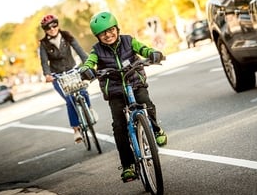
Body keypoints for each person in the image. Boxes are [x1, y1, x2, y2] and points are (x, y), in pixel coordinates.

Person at [80, 11, 167, 182]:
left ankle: (156, 130)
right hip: (115, 91)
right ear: (97, 36)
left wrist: (152, 54)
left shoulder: (128, 40)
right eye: (103, 33)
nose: (108, 35)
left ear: (117, 29)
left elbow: (143, 48)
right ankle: (128, 165)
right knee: (119, 126)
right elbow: (89, 62)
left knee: (146, 103)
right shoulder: (96, 51)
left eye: (111, 30)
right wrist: (87, 70)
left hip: (135, 82)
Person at [39, 14, 96, 143]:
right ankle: (76, 130)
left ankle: (89, 108)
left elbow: (80, 51)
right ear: (45, 30)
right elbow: (44, 62)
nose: (52, 29)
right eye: (48, 27)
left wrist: (88, 64)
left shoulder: (67, 36)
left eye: (54, 25)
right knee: (70, 100)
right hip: (58, 76)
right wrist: (47, 75)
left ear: (58, 25)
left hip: (73, 70)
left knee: (83, 91)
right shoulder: (43, 44)